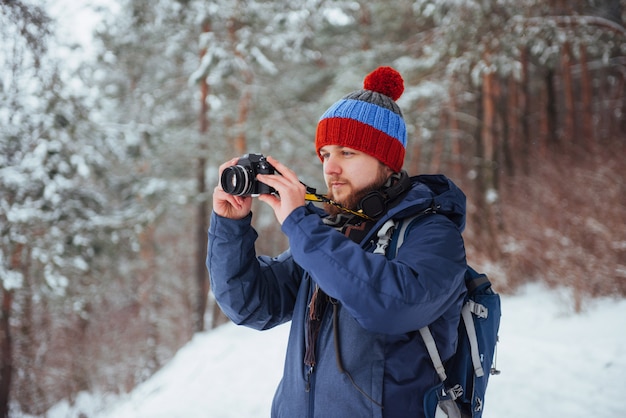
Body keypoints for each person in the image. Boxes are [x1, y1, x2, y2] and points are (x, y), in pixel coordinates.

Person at [207, 66, 467, 418]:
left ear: (387, 161)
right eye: (326, 154)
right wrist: (230, 225)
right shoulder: (331, 233)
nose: (330, 168)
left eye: (347, 152)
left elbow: (392, 305)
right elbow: (251, 306)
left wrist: (301, 226)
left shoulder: (432, 232)